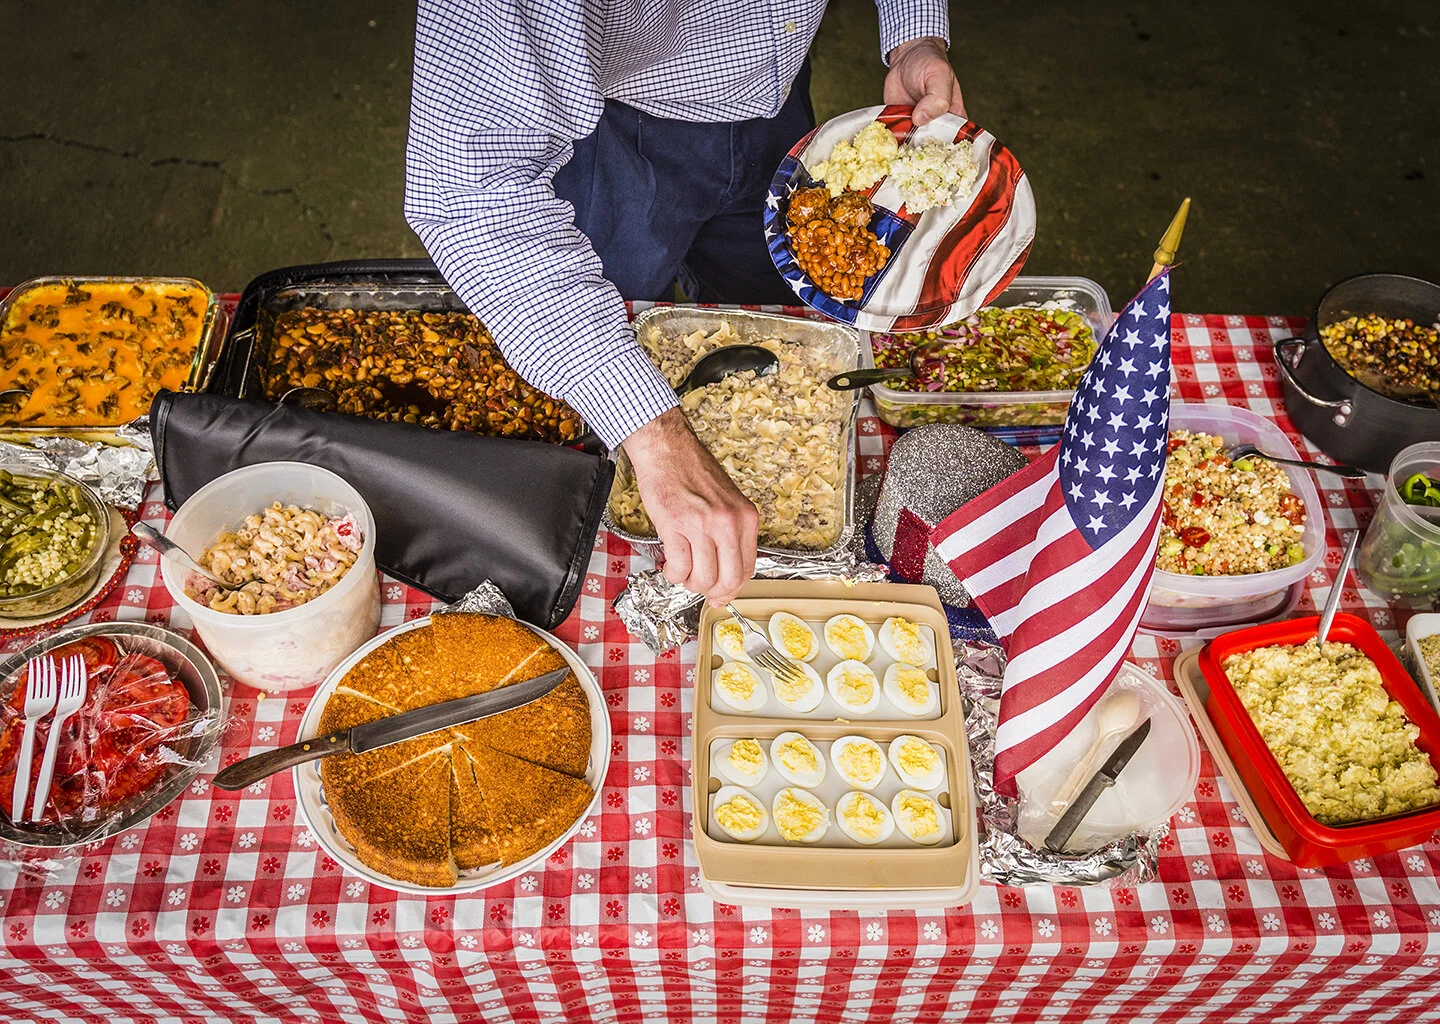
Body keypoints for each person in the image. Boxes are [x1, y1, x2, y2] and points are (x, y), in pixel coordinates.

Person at [405, 2, 965, 604]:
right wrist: (653, 434)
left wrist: (913, 36)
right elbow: (464, 188)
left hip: (779, 90)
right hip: (618, 128)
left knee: (766, 304)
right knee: (593, 335)